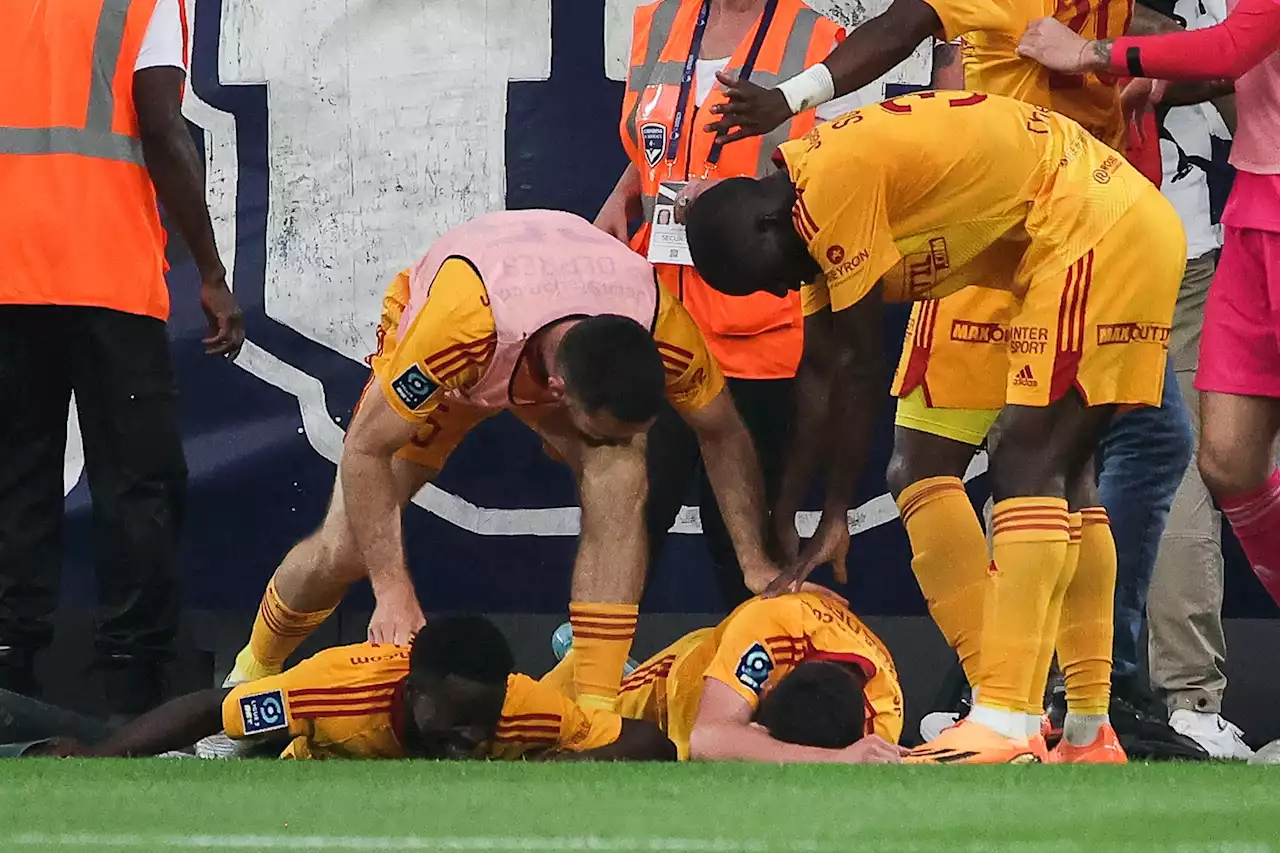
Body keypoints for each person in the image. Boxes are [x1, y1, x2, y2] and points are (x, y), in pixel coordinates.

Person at [687, 0, 1189, 763]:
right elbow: (823, 372)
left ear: (763, 225)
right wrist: (799, 509)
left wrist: (832, 512)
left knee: (1031, 458)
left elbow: (855, 365)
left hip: (1089, 223)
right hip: (1045, 234)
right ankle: (1085, 729)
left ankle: (1006, 718)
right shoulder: (808, 218)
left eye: (761, 282)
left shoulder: (831, 188)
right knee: (1001, 465)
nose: (776, 294)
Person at [223, 209, 781, 720]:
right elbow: (366, 449)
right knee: (345, 549)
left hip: (549, 324)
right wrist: (393, 591)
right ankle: (249, 673)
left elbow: (725, 432)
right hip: (468, 362)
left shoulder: (662, 326)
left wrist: (754, 560)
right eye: (601, 425)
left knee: (621, 467)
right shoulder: (458, 331)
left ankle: (596, 712)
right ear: (560, 394)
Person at [0, 0, 245, 715]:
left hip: (9, 278)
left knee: (17, 476)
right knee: (137, 483)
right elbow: (163, 128)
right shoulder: (142, 5)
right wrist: (211, 272)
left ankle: (10, 679)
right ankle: (132, 687)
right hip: (105, 276)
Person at [602, 0, 865, 608]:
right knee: (633, 516)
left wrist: (745, 202)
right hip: (660, 319)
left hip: (757, 328)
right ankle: (594, 680)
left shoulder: (822, 39)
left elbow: (850, 173)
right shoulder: (659, 23)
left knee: (746, 541)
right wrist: (626, 195)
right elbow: (661, 141)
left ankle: (753, 688)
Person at [1019, 0, 1280, 612]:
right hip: (1252, 207)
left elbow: (1233, 47)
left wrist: (1091, 53)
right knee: (1227, 462)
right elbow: (1230, 64)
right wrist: (1160, 78)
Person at [18, 616, 675, 761]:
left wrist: (583, 760)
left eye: (485, 719)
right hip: (260, 756)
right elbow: (207, 709)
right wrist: (101, 767)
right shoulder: (334, 689)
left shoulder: (522, 708)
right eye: (458, 718)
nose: (475, 736)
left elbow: (655, 741)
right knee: (85, 744)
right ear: (416, 687)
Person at [545, 591, 905, 762]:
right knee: (545, 731)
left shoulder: (881, 720)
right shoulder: (771, 627)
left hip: (728, 695)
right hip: (676, 686)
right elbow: (709, 738)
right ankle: (587, 658)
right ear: (768, 688)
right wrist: (834, 762)